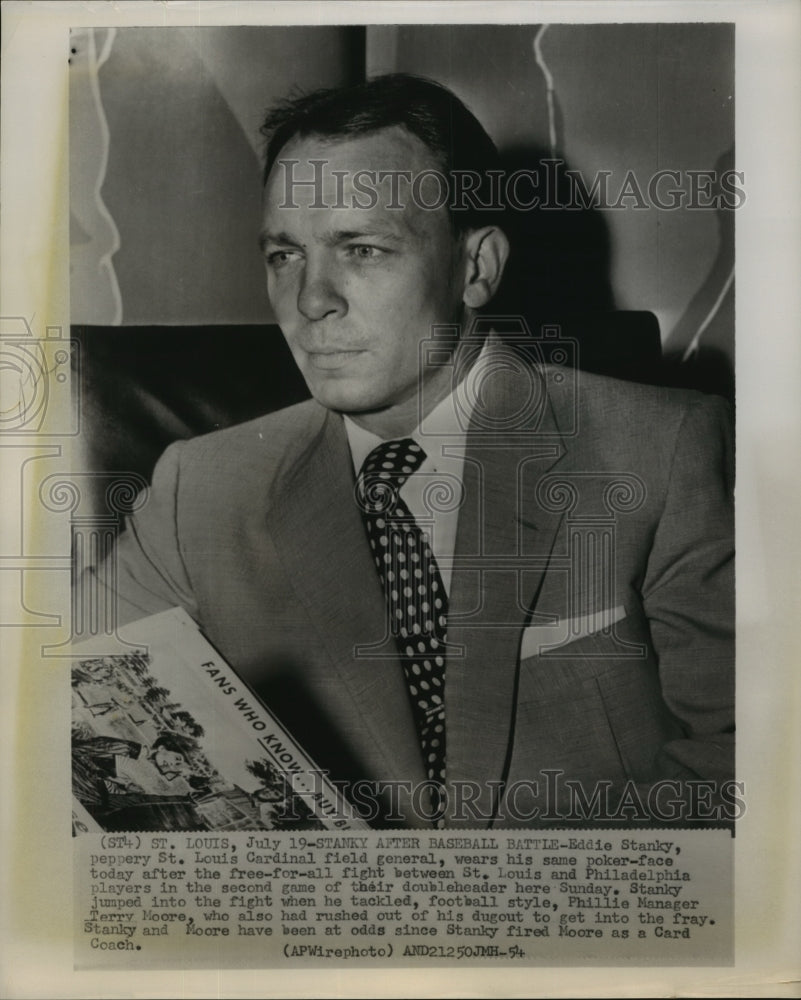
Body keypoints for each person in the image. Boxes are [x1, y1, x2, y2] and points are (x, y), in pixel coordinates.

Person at [90, 74, 734, 829]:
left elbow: (747, 758)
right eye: (282, 256)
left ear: (475, 268)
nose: (310, 300)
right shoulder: (195, 490)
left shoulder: (662, 449)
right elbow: (53, 713)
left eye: (361, 249)